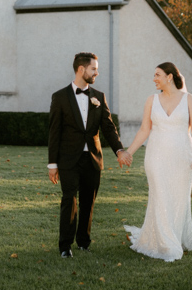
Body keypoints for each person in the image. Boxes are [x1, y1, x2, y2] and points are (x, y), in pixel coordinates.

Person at [121, 62, 192, 261]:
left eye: (157, 75)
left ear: (170, 76)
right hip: (156, 157)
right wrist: (129, 152)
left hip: (182, 157)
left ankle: (174, 236)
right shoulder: (152, 100)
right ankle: (167, 244)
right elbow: (144, 129)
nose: (154, 79)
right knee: (160, 196)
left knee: (178, 198)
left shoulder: (188, 99)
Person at [47, 52, 132, 258]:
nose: (97, 72)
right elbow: (54, 131)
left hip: (93, 158)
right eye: (93, 68)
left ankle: (83, 242)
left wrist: (119, 150)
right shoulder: (59, 97)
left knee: (88, 201)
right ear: (81, 69)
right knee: (69, 199)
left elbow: (109, 128)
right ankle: (65, 246)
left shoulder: (99, 97)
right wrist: (52, 164)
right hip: (68, 159)